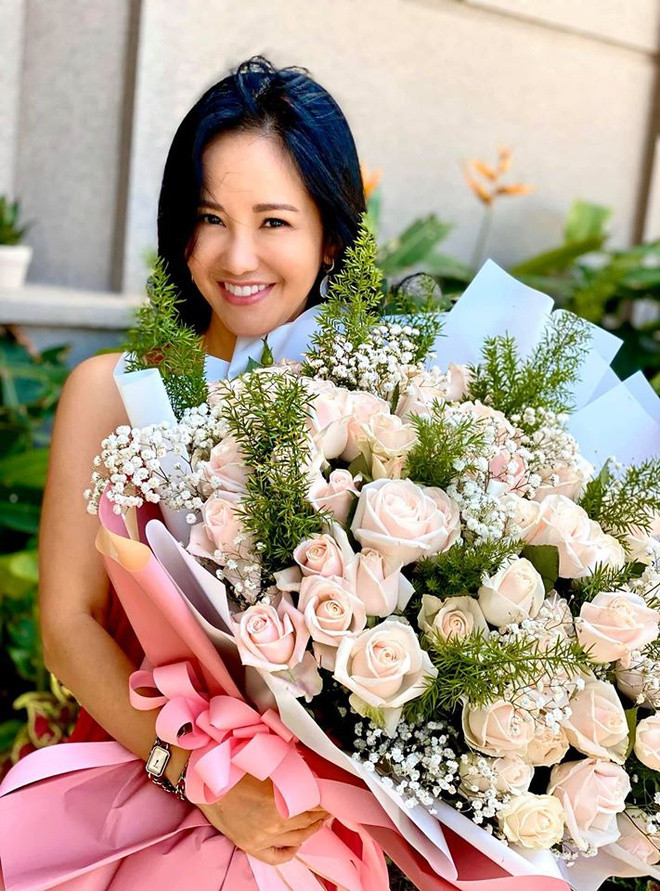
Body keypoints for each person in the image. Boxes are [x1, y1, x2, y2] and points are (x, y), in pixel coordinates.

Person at [1, 56, 366, 880]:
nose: (239, 256)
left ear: (330, 237)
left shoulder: (379, 409)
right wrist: (203, 776)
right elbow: (68, 627)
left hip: (319, 823)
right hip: (147, 790)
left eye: (274, 221)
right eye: (210, 218)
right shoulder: (114, 392)